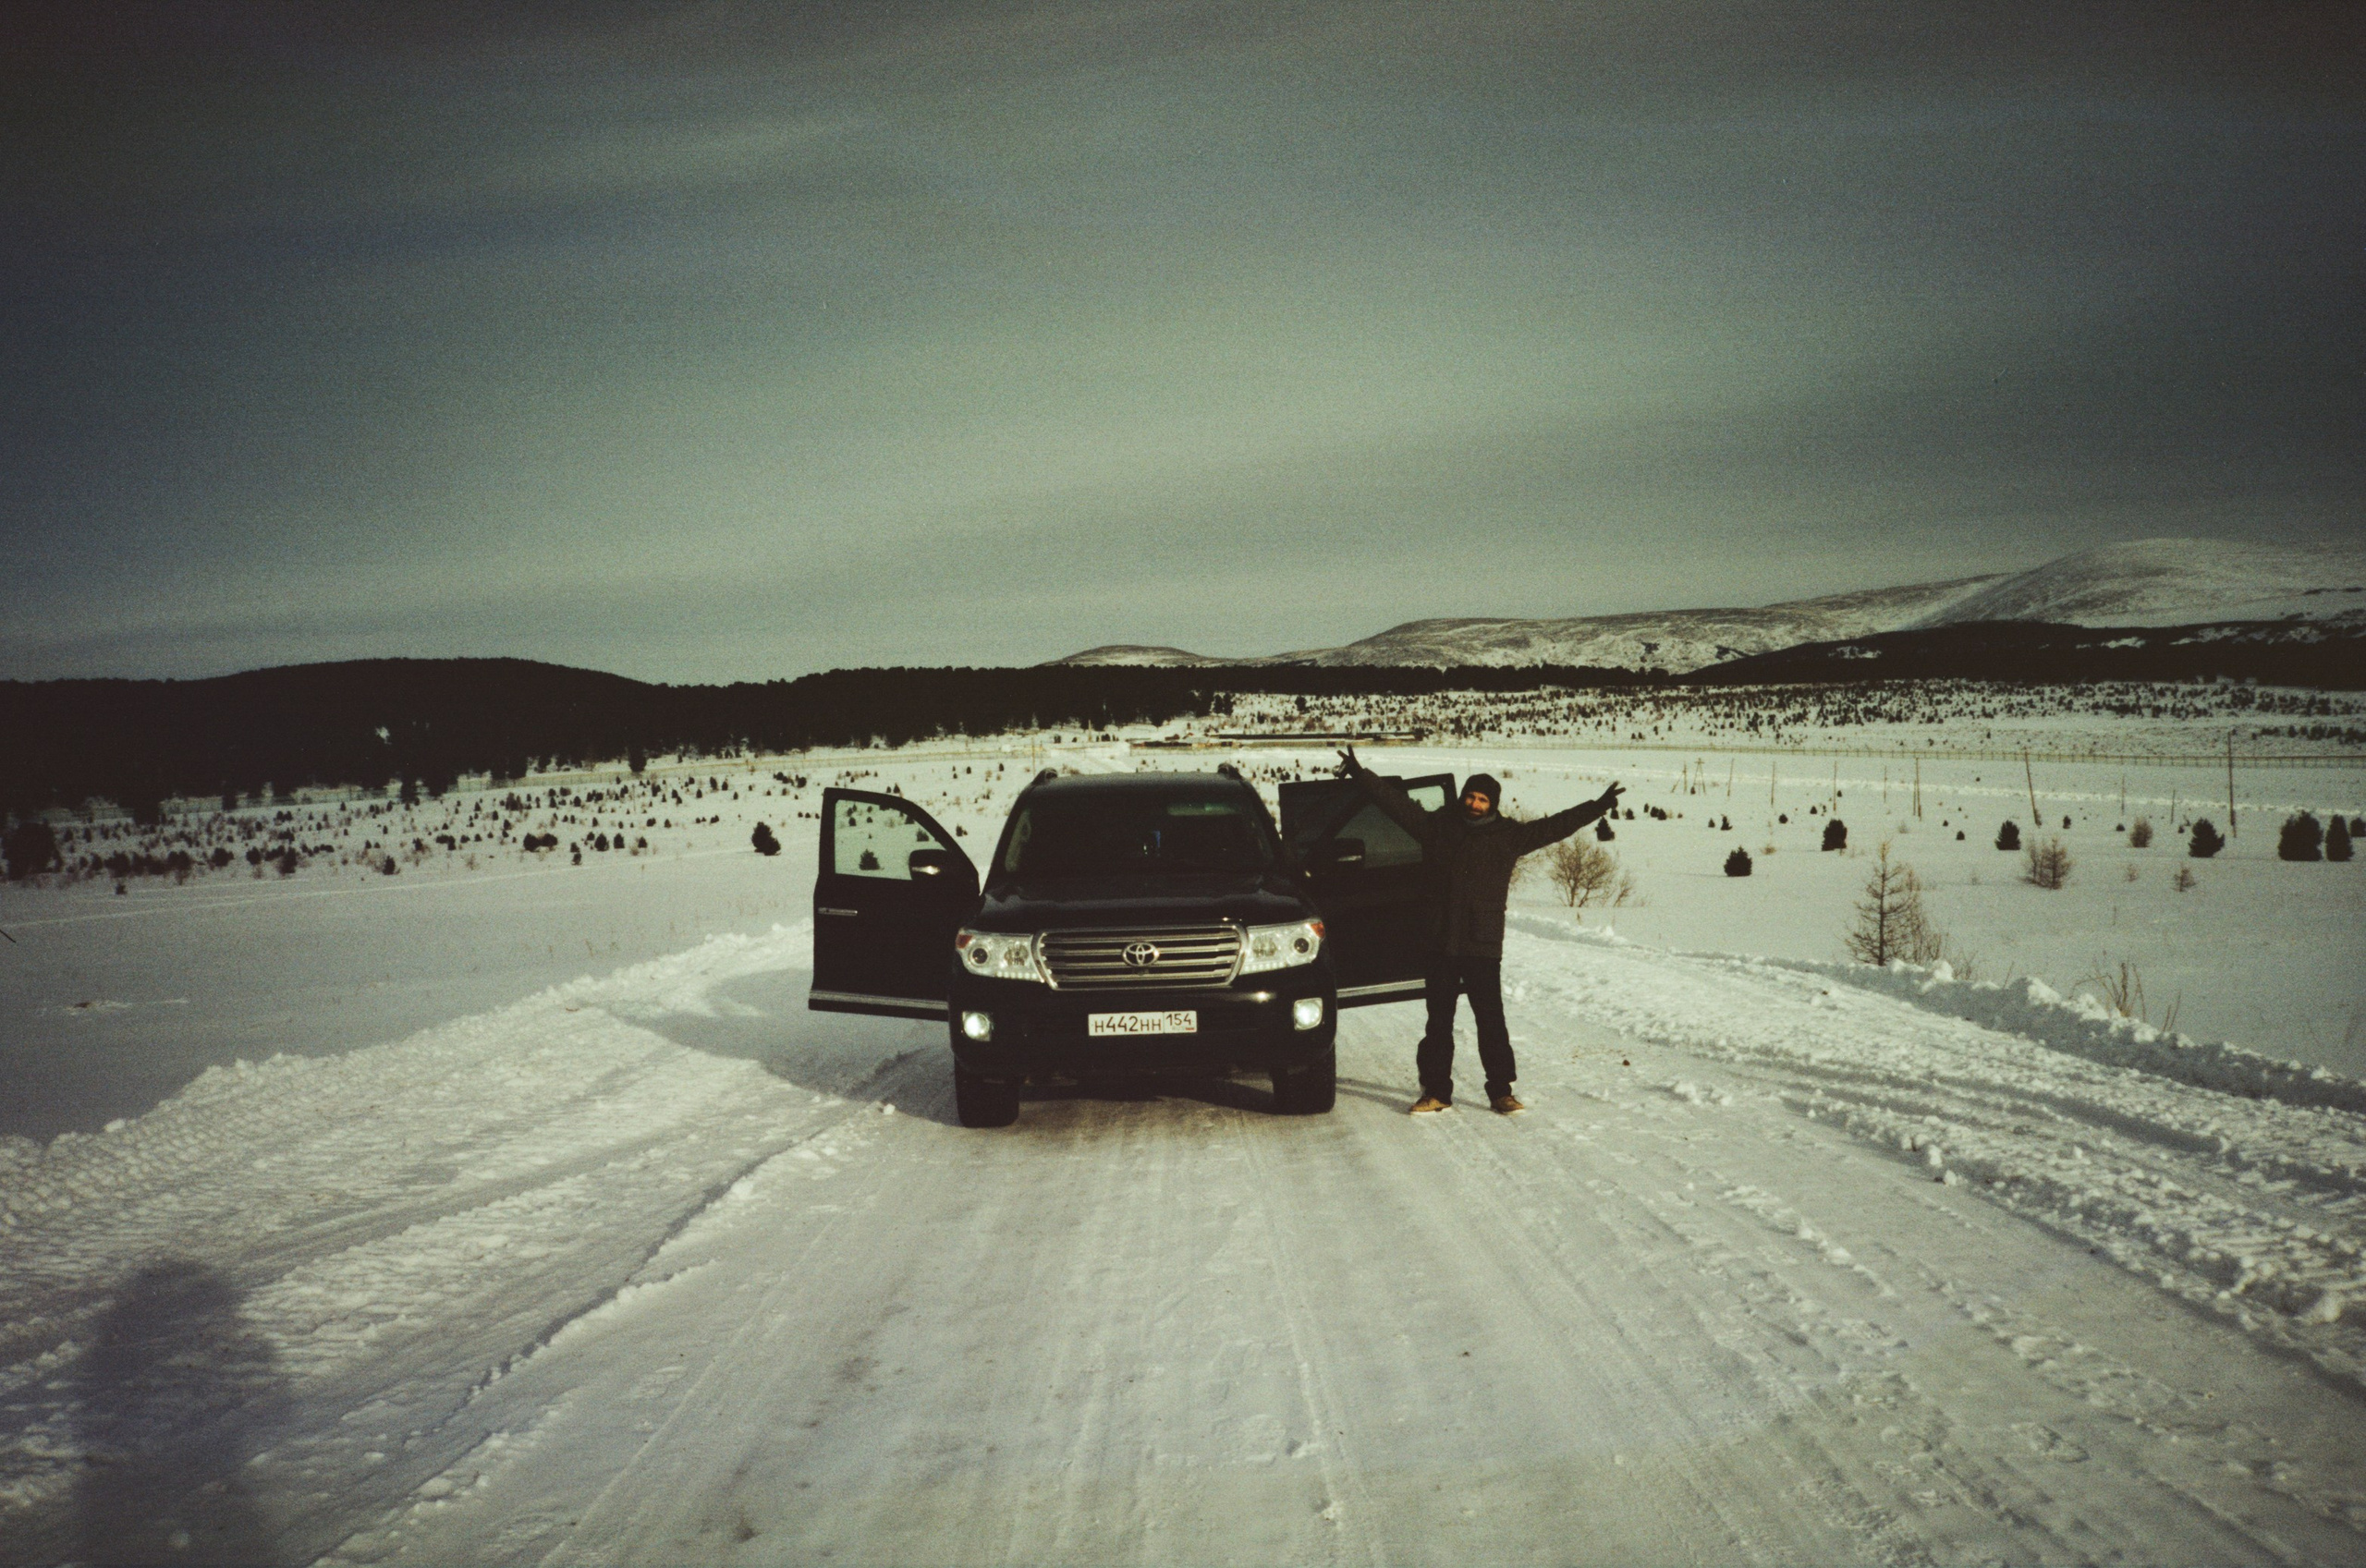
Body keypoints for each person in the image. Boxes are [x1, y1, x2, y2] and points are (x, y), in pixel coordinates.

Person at [1335, 748, 1623, 1114]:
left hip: (1481, 943)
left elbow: (1555, 826)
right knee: (1439, 1022)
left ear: (1493, 804)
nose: (1474, 803)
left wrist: (1596, 806)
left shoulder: (1508, 837)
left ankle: (1501, 1091)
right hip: (1440, 940)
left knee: (1491, 1021)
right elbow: (1397, 806)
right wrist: (1362, 776)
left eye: (1482, 799)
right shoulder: (1437, 827)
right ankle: (1436, 1092)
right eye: (1471, 796)